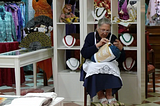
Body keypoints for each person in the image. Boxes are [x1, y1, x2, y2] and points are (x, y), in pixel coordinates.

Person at [80, 17, 125, 104]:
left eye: (107, 30)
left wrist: (121, 49)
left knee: (109, 66)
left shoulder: (112, 37)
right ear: (97, 28)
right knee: (95, 67)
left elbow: (121, 59)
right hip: (92, 62)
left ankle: (109, 94)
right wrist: (98, 45)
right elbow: (84, 53)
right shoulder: (90, 36)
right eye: (103, 30)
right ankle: (100, 94)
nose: (105, 33)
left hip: (109, 62)